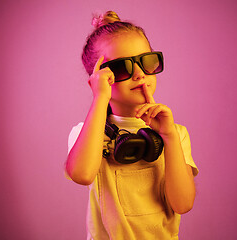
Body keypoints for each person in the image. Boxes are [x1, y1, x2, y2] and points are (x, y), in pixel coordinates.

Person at [65, 11, 199, 240]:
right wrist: (100, 99)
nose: (139, 74)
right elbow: (82, 174)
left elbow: (183, 204)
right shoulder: (87, 134)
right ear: (97, 77)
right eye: (121, 68)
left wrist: (168, 137)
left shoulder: (175, 134)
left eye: (147, 62)